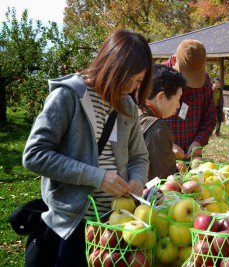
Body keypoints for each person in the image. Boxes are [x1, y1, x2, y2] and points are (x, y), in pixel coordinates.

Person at [22, 28, 152, 267]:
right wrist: (98, 177)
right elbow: (34, 155)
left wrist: (137, 180)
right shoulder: (68, 97)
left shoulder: (128, 107)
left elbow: (139, 157)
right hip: (71, 227)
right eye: (132, 79)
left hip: (114, 226)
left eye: (139, 81)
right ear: (114, 68)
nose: (134, 87)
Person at [163, 39, 216, 160]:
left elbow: (210, 117)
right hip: (161, 155)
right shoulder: (155, 78)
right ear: (175, 60)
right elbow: (143, 122)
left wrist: (198, 142)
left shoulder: (205, 81)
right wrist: (166, 144)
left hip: (192, 157)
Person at [139, 64, 186, 180]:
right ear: (161, 97)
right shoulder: (158, 129)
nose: (179, 105)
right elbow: (166, 182)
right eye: (178, 98)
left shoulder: (134, 111)